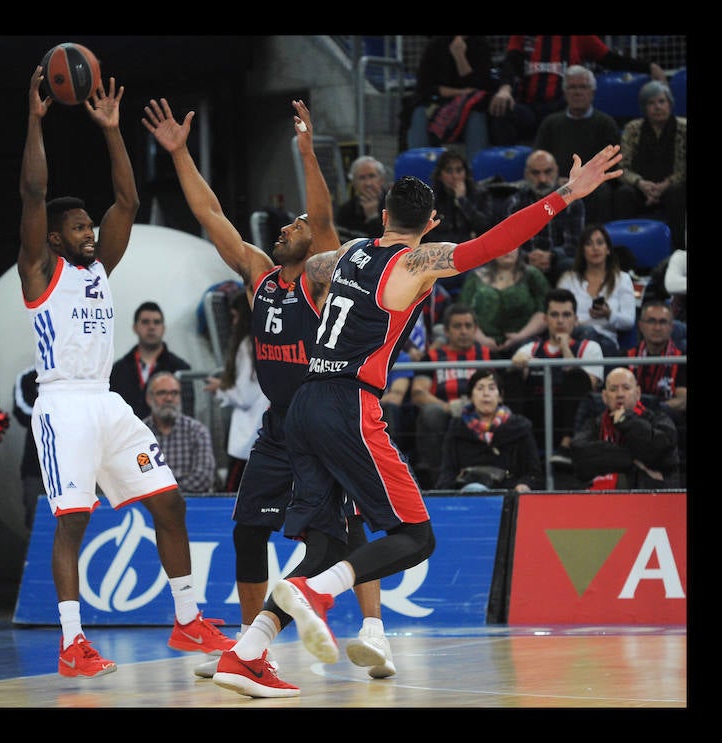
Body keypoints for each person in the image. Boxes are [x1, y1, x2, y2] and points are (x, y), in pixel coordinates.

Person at [211, 145, 624, 698]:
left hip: (304, 406)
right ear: (430, 224)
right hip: (347, 404)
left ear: (383, 217)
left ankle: (244, 653)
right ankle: (321, 594)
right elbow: (493, 244)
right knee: (416, 536)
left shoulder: (353, 252)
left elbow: (312, 266)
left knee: (327, 544)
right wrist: (566, 194)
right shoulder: (416, 262)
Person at [143, 97, 398, 683]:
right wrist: (180, 153)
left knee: (345, 528)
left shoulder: (320, 280)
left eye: (295, 226)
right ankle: (252, 646)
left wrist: (307, 154)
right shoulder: (260, 277)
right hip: (280, 426)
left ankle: (375, 634)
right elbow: (210, 215)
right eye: (288, 226)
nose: (288, 226)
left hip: (330, 419)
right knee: (248, 531)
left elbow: (323, 217)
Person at [18, 65, 234, 678]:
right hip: (62, 404)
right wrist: (35, 124)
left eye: (91, 225)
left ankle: (188, 621)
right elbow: (33, 196)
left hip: (109, 403)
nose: (91, 232)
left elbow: (129, 201)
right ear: (56, 239)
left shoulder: (96, 270)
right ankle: (70, 643)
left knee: (169, 504)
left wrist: (112, 130)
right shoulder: (40, 270)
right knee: (73, 522)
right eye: (80, 227)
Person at [488, 34, 666, 146]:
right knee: (501, 108)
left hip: (560, 109)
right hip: (528, 108)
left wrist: (649, 67)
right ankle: (506, 168)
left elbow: (612, 60)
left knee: (574, 104)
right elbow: (510, 63)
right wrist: (505, 89)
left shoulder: (580, 37)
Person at [504, 287, 605, 467]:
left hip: (572, 418)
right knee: (513, 376)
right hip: (536, 417)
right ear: (545, 319)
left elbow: (589, 385)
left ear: (575, 319)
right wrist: (517, 366)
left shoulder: (590, 348)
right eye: (554, 315)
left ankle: (566, 446)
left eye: (566, 315)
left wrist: (565, 347)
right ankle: (515, 444)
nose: (560, 320)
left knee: (576, 376)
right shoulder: (530, 349)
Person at [410, 303, 492, 488]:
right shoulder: (431, 357)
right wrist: (448, 406)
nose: (463, 331)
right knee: (431, 413)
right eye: (457, 326)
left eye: (468, 326)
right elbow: (418, 393)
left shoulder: (486, 354)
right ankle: (439, 482)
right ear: (446, 331)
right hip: (445, 413)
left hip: (479, 412)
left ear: (476, 329)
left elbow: (497, 390)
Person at [533, 65, 621, 224]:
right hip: (559, 183)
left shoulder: (606, 123)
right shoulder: (550, 124)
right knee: (543, 189)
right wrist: (555, 179)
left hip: (594, 184)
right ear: (565, 93)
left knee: (602, 192)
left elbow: (613, 163)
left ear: (592, 92)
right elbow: (538, 159)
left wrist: (587, 180)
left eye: (583, 87)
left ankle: (595, 240)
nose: (577, 92)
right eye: (572, 87)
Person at [570, 367, 680, 489]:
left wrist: (625, 420)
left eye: (626, 388)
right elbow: (579, 452)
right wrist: (633, 462)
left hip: (650, 496)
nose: (620, 394)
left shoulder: (658, 419)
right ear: (604, 397)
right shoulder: (595, 424)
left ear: (638, 393)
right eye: (613, 389)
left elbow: (659, 451)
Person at [436, 368, 543, 493]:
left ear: (500, 397)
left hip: (508, 492)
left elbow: (533, 472)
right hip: (467, 492)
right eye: (480, 388)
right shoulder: (457, 428)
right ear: (471, 397)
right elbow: (447, 471)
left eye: (491, 388)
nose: (486, 393)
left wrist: (524, 485)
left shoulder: (519, 427)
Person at [203, 292, 269, 492]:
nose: (233, 322)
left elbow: (244, 396)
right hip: (262, 429)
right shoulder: (265, 342)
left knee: (234, 492)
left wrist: (221, 389)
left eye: (234, 316)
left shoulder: (248, 346)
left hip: (248, 436)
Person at [612, 80, 687, 252]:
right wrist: (641, 184)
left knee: (677, 193)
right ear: (644, 108)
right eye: (651, 103)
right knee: (623, 194)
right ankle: (623, 253)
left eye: (662, 101)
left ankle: (679, 251)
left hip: (673, 187)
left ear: (670, 104)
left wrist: (666, 184)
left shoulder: (684, 128)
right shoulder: (632, 129)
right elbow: (622, 167)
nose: (657, 107)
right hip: (641, 189)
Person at [402, 35, 496, 163]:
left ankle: (475, 173)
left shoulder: (481, 45)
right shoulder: (436, 45)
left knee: (476, 116)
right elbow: (425, 87)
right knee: (418, 113)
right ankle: (420, 169)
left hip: (470, 106)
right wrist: (461, 92)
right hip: (438, 103)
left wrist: (460, 57)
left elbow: (479, 87)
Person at [503, 149, 585, 285]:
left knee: (570, 265)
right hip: (524, 263)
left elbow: (575, 244)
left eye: (548, 172)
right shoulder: (514, 203)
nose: (542, 179)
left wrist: (551, 255)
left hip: (559, 263)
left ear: (557, 171)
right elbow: (507, 244)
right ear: (526, 174)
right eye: (535, 173)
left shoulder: (572, 201)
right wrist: (527, 257)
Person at [626, 299, 687, 481]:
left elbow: (683, 400)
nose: (657, 327)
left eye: (663, 322)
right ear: (641, 325)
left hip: (665, 422)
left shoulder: (682, 360)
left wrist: (652, 409)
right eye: (651, 321)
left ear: (671, 327)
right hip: (631, 421)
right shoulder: (626, 357)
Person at [423, 149, 497, 296]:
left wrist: (463, 201)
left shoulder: (479, 195)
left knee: (478, 278)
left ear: (466, 173)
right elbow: (424, 236)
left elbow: (486, 228)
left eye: (459, 170)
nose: (455, 176)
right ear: (440, 175)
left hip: (469, 261)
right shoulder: (430, 200)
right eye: (449, 171)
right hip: (439, 262)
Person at [557, 223, 636, 357]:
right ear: (582, 251)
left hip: (606, 341)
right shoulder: (568, 279)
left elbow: (629, 321)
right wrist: (572, 322)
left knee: (589, 334)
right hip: (573, 339)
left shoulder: (622, 279)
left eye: (600, 243)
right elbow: (556, 311)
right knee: (584, 333)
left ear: (608, 249)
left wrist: (609, 314)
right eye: (589, 244)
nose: (595, 248)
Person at [458, 246, 549, 358]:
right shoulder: (475, 277)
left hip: (526, 341)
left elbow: (544, 311)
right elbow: (462, 312)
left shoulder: (532, 275)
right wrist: (482, 339)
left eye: (512, 246)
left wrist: (521, 336)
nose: (507, 250)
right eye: (502, 245)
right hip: (480, 342)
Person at [109, 301, 193, 420]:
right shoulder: (117, 371)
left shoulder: (180, 369)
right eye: (145, 322)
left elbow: (187, 413)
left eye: (157, 322)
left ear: (163, 328)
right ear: (135, 328)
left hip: (170, 437)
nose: (151, 327)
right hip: (127, 435)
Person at [142, 371, 217, 493]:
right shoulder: (138, 433)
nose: (169, 398)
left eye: (174, 393)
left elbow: (204, 478)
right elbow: (137, 476)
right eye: (162, 393)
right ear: (149, 398)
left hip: (191, 504)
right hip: (149, 506)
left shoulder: (197, 431)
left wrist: (166, 493)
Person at [12, 365, 42, 533]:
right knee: (37, 526)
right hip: (35, 466)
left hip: (74, 468)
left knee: (75, 525)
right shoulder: (28, 377)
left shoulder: (80, 376)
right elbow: (22, 412)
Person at [335, 156, 388, 240]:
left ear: (381, 179)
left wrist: (373, 217)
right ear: (354, 183)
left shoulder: (395, 205)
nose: (368, 183)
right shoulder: (346, 211)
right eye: (362, 178)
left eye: (372, 176)